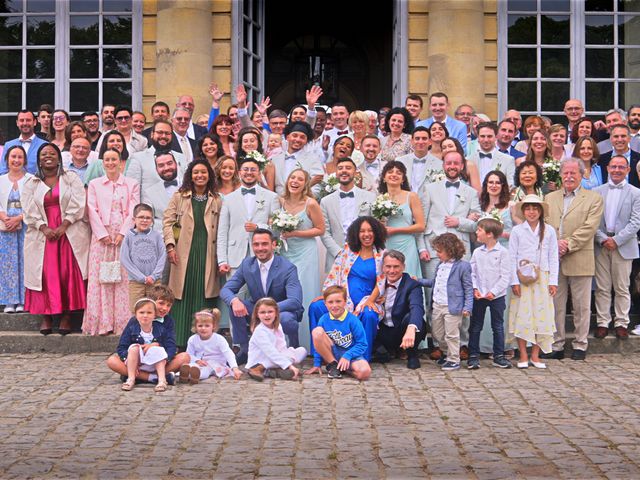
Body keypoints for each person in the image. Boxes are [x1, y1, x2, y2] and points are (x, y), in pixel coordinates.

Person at [23, 143, 90, 335]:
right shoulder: (31, 183)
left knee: (65, 274)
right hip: (42, 235)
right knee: (44, 275)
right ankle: (46, 316)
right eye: (44, 154)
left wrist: (64, 225)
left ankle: (67, 316)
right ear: (39, 159)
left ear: (59, 157)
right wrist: (43, 227)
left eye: (52, 153)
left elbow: (79, 203)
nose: (48, 156)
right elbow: (28, 210)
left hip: (67, 233)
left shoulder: (70, 178)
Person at [544, 158, 604, 360]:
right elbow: (544, 225)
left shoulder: (593, 198)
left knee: (581, 306)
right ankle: (556, 344)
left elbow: (590, 227)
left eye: (573, 173)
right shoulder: (550, 198)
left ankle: (580, 344)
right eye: (566, 173)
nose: (569, 176)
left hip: (580, 256)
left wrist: (567, 244)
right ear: (560, 175)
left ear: (581, 175)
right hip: (554, 260)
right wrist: (554, 245)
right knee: (556, 305)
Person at [220, 228, 304, 363]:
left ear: (273, 244)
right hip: (256, 309)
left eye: (264, 244)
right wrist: (234, 300)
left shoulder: (287, 268)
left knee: (288, 320)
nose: (260, 248)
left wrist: (267, 310)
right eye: (256, 244)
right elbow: (226, 290)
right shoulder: (247, 264)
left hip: (281, 310)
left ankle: (293, 348)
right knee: (234, 306)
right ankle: (245, 351)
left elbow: (295, 301)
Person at [310, 216, 386, 362]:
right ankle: (319, 356)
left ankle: (362, 358)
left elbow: (382, 281)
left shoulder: (382, 254)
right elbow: (335, 273)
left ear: (376, 233)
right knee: (316, 306)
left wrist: (370, 300)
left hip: (368, 300)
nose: (366, 234)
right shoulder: (348, 251)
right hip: (342, 300)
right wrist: (327, 296)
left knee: (369, 315)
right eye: (362, 231)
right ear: (356, 234)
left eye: (370, 230)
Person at [163, 160, 222, 347]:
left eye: (204, 172)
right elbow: (167, 222)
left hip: (207, 252)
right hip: (182, 253)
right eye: (196, 172)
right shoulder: (179, 196)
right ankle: (178, 341)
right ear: (190, 175)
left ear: (209, 175)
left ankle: (204, 342)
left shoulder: (217, 199)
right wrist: (170, 246)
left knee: (204, 293)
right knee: (180, 294)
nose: (200, 176)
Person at [82, 148, 140, 335]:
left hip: (124, 236)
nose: (110, 163)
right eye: (106, 159)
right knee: (103, 278)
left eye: (114, 159)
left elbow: (134, 209)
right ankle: (103, 322)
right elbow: (91, 209)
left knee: (122, 278)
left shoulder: (131, 184)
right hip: (102, 237)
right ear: (102, 162)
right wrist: (102, 234)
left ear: (121, 162)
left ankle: (122, 323)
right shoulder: (95, 184)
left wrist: (123, 232)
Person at [508, 195, 559, 369]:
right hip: (523, 277)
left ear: (541, 211)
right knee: (523, 315)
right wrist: (514, 281)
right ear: (523, 211)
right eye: (528, 209)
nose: (532, 212)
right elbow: (512, 256)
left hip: (542, 277)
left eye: (535, 209)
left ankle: (536, 355)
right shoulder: (517, 231)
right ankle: (523, 354)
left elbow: (553, 257)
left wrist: (553, 281)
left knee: (541, 315)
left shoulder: (550, 231)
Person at [277, 168, 325, 351]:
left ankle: (307, 341)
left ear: (306, 184)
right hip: (285, 252)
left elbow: (320, 229)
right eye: (292, 177)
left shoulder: (311, 204)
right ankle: (286, 341)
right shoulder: (280, 201)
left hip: (305, 252)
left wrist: (296, 233)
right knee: (284, 293)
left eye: (299, 179)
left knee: (304, 291)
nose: (295, 181)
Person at [593, 155, 640, 339]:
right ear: (608, 169)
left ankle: (621, 322)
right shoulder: (597, 192)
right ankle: (603, 322)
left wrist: (617, 240)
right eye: (614, 167)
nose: (617, 170)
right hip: (602, 244)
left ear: (628, 170)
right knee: (602, 287)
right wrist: (603, 239)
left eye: (621, 167)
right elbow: (592, 221)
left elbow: (636, 222)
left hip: (624, 245)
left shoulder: (636, 193)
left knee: (622, 286)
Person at [106, 284, 190, 381]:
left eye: (168, 305)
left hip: (159, 363)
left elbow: (171, 346)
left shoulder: (168, 321)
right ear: (152, 303)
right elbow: (122, 347)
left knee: (185, 357)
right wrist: (129, 361)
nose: (165, 308)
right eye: (161, 303)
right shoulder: (134, 321)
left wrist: (158, 346)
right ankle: (153, 378)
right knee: (112, 361)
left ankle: (139, 376)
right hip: (138, 363)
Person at [217, 156, 279, 276]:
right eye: (245, 169)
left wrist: (258, 227)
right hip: (234, 258)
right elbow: (222, 232)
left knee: (261, 295)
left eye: (253, 170)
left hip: (263, 256)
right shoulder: (228, 199)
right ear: (239, 172)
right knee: (235, 294)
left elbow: (277, 230)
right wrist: (222, 260)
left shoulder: (271, 197)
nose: (249, 173)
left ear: (259, 173)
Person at [420, 233, 473, 371]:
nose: (437, 254)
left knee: (452, 334)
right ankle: (446, 352)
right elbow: (435, 282)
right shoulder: (440, 265)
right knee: (437, 333)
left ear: (450, 250)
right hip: (437, 304)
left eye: (439, 251)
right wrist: (419, 281)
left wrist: (467, 306)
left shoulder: (463, 266)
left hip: (453, 307)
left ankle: (454, 359)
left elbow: (468, 288)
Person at [370, 250, 426, 369]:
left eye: (396, 267)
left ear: (403, 267)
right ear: (383, 267)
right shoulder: (376, 283)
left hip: (401, 329)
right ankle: (384, 351)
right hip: (383, 331)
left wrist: (411, 328)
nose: (392, 271)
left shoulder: (412, 284)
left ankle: (412, 355)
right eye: (388, 266)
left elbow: (417, 307)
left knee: (413, 319)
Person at [468, 218, 512, 369]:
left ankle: (499, 355)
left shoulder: (503, 253)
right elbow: (472, 272)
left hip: (496, 296)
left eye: (479, 230)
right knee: (475, 325)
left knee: (497, 326)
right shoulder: (477, 252)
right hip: (479, 295)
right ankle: (473, 355)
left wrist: (493, 292)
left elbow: (505, 276)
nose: (476, 233)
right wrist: (475, 289)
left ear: (490, 234)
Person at [320, 157, 375, 272]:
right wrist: (339, 253)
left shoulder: (370, 197)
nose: (344, 171)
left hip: (364, 254)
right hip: (337, 257)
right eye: (340, 168)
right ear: (336, 173)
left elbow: (375, 228)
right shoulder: (326, 201)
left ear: (355, 173)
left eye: (348, 168)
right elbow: (324, 232)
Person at [310, 286, 371, 380]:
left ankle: (343, 369)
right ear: (325, 303)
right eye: (330, 302)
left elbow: (362, 344)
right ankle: (333, 364)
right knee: (316, 332)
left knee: (365, 373)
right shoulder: (323, 319)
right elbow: (317, 342)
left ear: (345, 301)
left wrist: (348, 356)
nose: (334, 305)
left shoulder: (353, 320)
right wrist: (317, 364)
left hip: (351, 355)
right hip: (331, 354)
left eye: (338, 301)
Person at [378, 160, 425, 278]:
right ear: (384, 177)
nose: (394, 174)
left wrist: (395, 230)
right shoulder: (379, 199)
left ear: (403, 179)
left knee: (409, 277)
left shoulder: (412, 196)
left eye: (398, 173)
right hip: (387, 244)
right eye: (390, 172)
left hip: (407, 244)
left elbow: (420, 226)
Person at [0, 146, 32, 313]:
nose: (16, 160)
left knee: (25, 261)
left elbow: (35, 203)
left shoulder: (31, 179)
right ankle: (9, 301)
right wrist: (4, 217)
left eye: (20, 157)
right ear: (7, 159)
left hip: (25, 225)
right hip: (4, 227)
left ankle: (24, 300)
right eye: (13, 157)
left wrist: (19, 218)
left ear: (24, 160)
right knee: (7, 263)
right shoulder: (1, 180)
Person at [117, 298, 173, 392]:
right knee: (133, 348)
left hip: (156, 363)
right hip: (137, 363)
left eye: (149, 313)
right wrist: (129, 359)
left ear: (154, 314)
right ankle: (131, 378)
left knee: (157, 349)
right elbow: (121, 347)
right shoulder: (132, 327)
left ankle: (162, 380)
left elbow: (169, 346)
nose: (145, 315)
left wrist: (157, 344)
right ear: (136, 314)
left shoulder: (160, 328)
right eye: (141, 312)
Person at [120, 203, 166, 314]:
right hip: (136, 282)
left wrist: (154, 276)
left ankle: (155, 331)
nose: (144, 220)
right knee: (136, 310)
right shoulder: (129, 236)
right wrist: (141, 278)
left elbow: (162, 256)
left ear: (152, 221)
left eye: (148, 218)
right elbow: (125, 259)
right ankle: (137, 331)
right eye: (141, 217)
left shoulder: (156, 236)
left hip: (155, 281)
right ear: (134, 219)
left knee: (156, 310)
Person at [245, 298, 306, 381]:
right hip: (260, 360)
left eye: (270, 312)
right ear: (257, 315)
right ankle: (258, 369)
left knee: (302, 351)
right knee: (280, 357)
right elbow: (271, 352)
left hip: (276, 357)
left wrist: (286, 357)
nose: (267, 315)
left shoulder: (278, 326)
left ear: (276, 313)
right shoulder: (259, 331)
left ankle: (274, 370)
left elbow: (282, 347)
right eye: (262, 312)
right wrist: (290, 366)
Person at [180, 309, 242, 384]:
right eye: (200, 326)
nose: (203, 328)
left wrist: (234, 368)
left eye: (207, 326)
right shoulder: (192, 339)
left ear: (213, 326)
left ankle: (195, 375)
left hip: (216, 364)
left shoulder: (219, 339)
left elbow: (228, 353)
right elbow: (189, 354)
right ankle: (184, 374)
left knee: (206, 370)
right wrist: (196, 360)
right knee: (190, 366)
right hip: (199, 362)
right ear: (195, 327)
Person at [271, 121, 323, 194]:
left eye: (302, 137)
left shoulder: (313, 159)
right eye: (295, 135)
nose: (298, 139)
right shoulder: (275, 159)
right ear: (287, 137)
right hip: (278, 202)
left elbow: (317, 186)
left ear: (306, 141)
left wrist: (302, 200)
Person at [467, 122, 516, 188]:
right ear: (478, 138)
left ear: (496, 137)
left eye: (489, 136)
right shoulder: (468, 160)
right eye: (482, 136)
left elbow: (511, 185)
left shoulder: (508, 160)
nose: (486, 140)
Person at [0, 110, 48, 175]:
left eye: (28, 120)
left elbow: (47, 171)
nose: (25, 123)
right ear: (17, 123)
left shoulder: (45, 145)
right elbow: (3, 170)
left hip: (36, 183)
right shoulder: (8, 145)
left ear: (35, 122)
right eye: (22, 120)